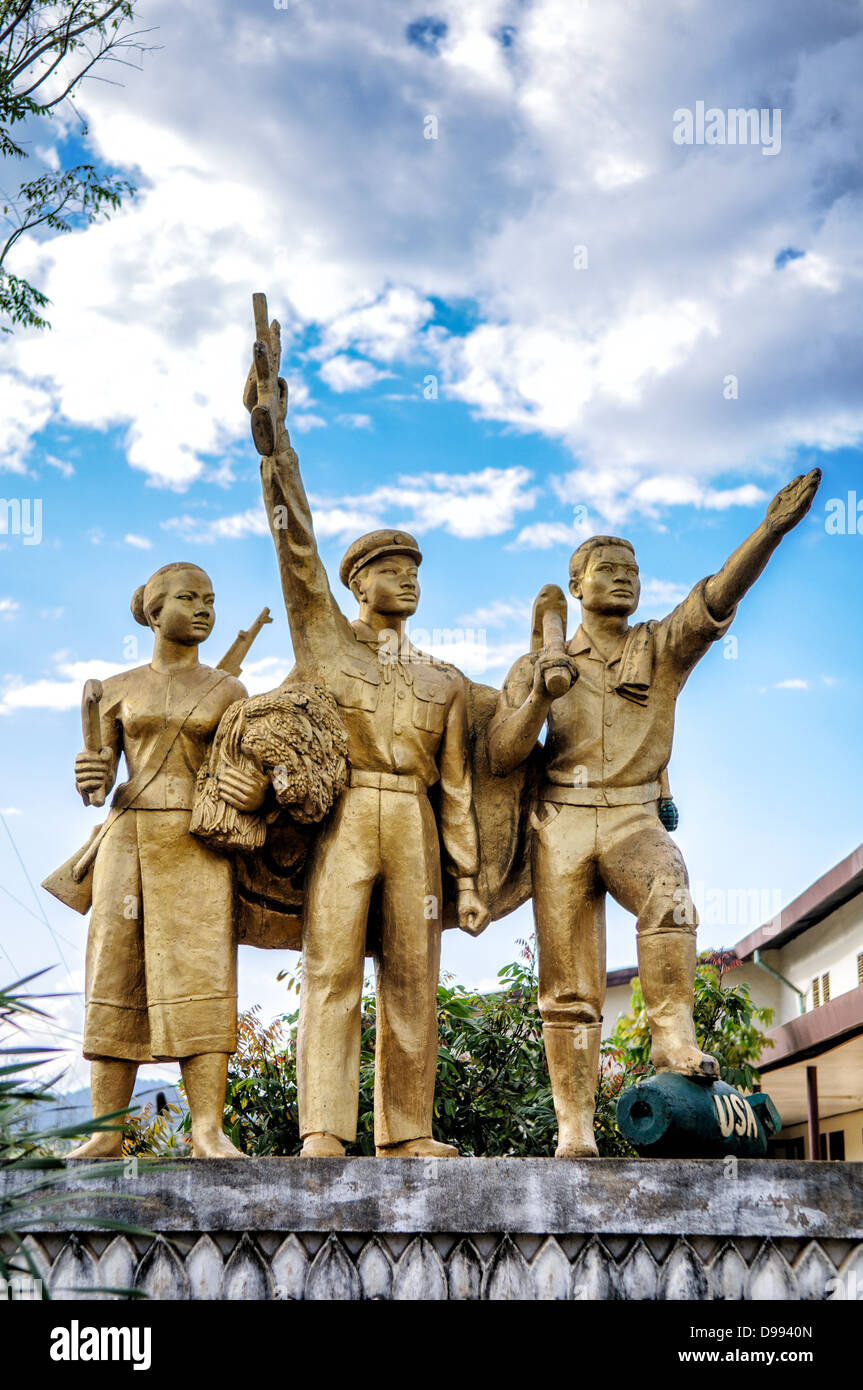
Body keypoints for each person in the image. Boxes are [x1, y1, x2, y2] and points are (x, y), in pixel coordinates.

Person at [488, 470, 821, 1158]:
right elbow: (499, 752)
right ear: (575, 587)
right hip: (561, 820)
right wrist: (539, 697)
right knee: (568, 987)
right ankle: (573, 1126)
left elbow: (715, 596)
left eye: (632, 571)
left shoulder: (658, 648)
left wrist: (769, 531)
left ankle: (672, 1034)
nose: (623, 579)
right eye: (606, 569)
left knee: (669, 892)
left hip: (634, 815)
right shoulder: (538, 662)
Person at [236, 335, 491, 1158]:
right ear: (357, 583)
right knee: (332, 971)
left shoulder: (445, 679)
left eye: (414, 566)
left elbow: (454, 787)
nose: (407, 578)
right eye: (389, 567)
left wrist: (469, 877)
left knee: (415, 981)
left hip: (412, 822)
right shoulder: (326, 643)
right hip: (346, 817)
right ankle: (322, 1131)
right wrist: (273, 436)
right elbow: (295, 546)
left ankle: (407, 1133)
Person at [66, 563, 249, 1159]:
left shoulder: (229, 691)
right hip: (128, 838)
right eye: (188, 598)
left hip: (199, 842)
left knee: (203, 974)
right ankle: (105, 1132)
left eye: (211, 600)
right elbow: (98, 782)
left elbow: (244, 767)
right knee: (115, 971)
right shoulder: (116, 686)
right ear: (152, 610)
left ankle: (207, 1130)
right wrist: (89, 775)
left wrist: (259, 791)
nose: (203, 609)